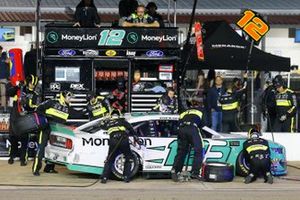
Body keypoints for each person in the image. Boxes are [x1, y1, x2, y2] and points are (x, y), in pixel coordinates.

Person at [33, 91, 74, 176]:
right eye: (69, 97)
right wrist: (44, 119)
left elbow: (77, 114)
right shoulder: (52, 101)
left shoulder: (67, 107)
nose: (71, 99)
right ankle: (36, 169)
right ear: (63, 97)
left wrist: (87, 109)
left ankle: (49, 168)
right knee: (41, 148)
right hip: (45, 129)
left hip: (56, 130)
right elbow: (38, 108)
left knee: (54, 148)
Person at [101, 109, 138, 184]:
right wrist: (135, 136)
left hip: (113, 141)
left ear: (111, 115)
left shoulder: (108, 123)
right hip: (123, 140)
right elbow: (131, 129)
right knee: (128, 158)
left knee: (110, 159)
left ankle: (104, 178)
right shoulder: (122, 121)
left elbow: (101, 126)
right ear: (119, 115)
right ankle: (126, 177)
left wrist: (104, 119)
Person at [171, 101, 205, 181]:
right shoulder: (200, 111)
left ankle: (175, 171)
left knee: (181, 151)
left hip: (181, 129)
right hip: (192, 128)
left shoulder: (184, 112)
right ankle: (195, 173)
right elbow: (204, 125)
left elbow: (178, 123)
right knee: (199, 150)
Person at [7, 80, 28, 166]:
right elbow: (9, 93)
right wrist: (17, 87)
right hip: (15, 117)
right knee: (13, 139)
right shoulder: (15, 89)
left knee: (24, 139)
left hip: (24, 117)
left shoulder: (28, 91)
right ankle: (12, 156)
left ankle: (23, 159)